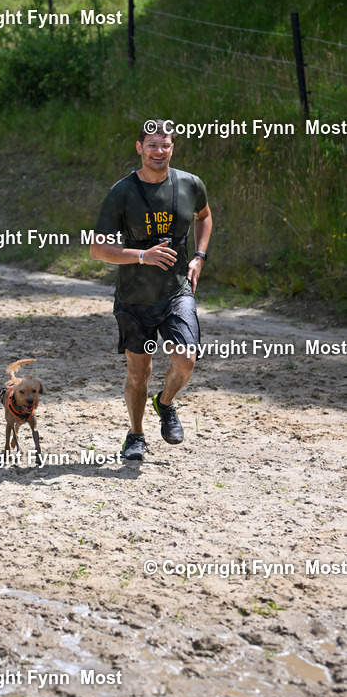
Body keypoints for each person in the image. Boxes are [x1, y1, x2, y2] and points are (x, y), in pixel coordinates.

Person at [89, 121, 212, 461]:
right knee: (138, 374)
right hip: (134, 300)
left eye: (166, 145)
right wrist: (143, 255)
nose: (160, 151)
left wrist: (199, 257)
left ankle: (166, 403)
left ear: (173, 148)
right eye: (153, 145)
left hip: (176, 292)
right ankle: (136, 435)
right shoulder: (122, 192)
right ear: (139, 148)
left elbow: (204, 217)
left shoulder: (190, 184)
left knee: (186, 359)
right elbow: (97, 248)